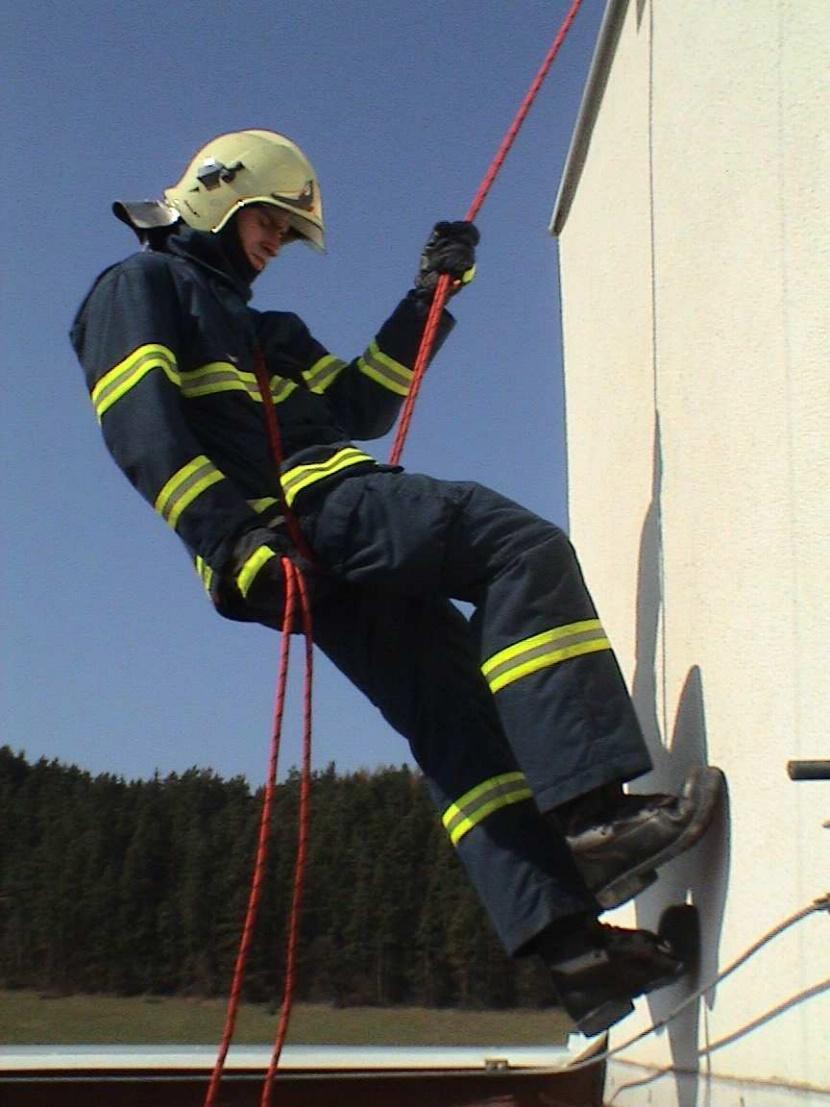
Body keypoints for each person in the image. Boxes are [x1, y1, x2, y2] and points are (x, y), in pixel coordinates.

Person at [70, 129, 723, 1036]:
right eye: (271, 224)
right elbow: (144, 435)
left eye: (287, 237)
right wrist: (234, 544)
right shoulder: (136, 288)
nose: (275, 246)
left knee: (454, 717)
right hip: (304, 514)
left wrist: (429, 298)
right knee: (516, 548)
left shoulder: (263, 329)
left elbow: (363, 402)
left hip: (299, 548)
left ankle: (579, 956)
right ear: (221, 195)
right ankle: (593, 815)